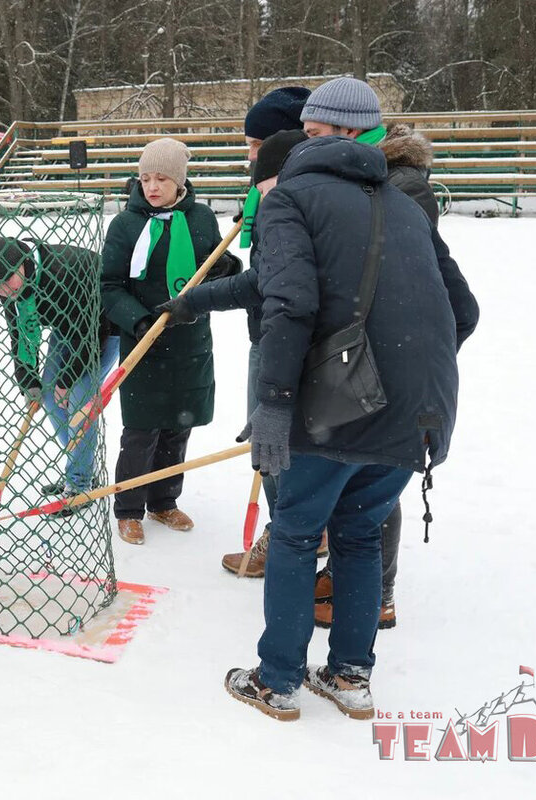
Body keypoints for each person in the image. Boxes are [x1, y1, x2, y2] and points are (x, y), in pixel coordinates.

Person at [224, 131, 478, 722]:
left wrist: (278, 402)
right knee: (360, 538)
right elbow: (463, 310)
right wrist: (408, 372)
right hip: (419, 415)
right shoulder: (403, 202)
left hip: (333, 411)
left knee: (294, 533)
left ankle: (278, 681)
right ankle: (350, 678)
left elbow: (291, 304)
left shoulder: (292, 198)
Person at [162, 86, 311, 577]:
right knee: (281, 443)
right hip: (273, 331)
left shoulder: (290, 197)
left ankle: (287, 536)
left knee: (273, 443)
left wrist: (199, 300)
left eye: (255, 144)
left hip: (282, 337)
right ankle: (303, 531)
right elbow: (266, 275)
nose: (248, 154)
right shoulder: (271, 194)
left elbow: (273, 285)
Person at [101, 137, 241, 545]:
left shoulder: (200, 218)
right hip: (144, 341)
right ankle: (128, 508)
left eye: (162, 178)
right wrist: (139, 320)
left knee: (180, 426)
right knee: (142, 429)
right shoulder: (126, 225)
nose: (152, 186)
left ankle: (164, 501)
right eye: (145, 178)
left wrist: (227, 267)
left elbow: (214, 267)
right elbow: (109, 286)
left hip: (190, 340)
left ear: (180, 181)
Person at [0, 237, 119, 502]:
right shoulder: (10, 287)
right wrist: (27, 379)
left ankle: (79, 484)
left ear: (23, 263)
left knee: (78, 402)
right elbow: (18, 333)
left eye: (7, 280)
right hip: (66, 328)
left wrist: (67, 379)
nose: (4, 291)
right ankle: (82, 467)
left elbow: (90, 334)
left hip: (106, 326)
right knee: (51, 400)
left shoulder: (62, 271)